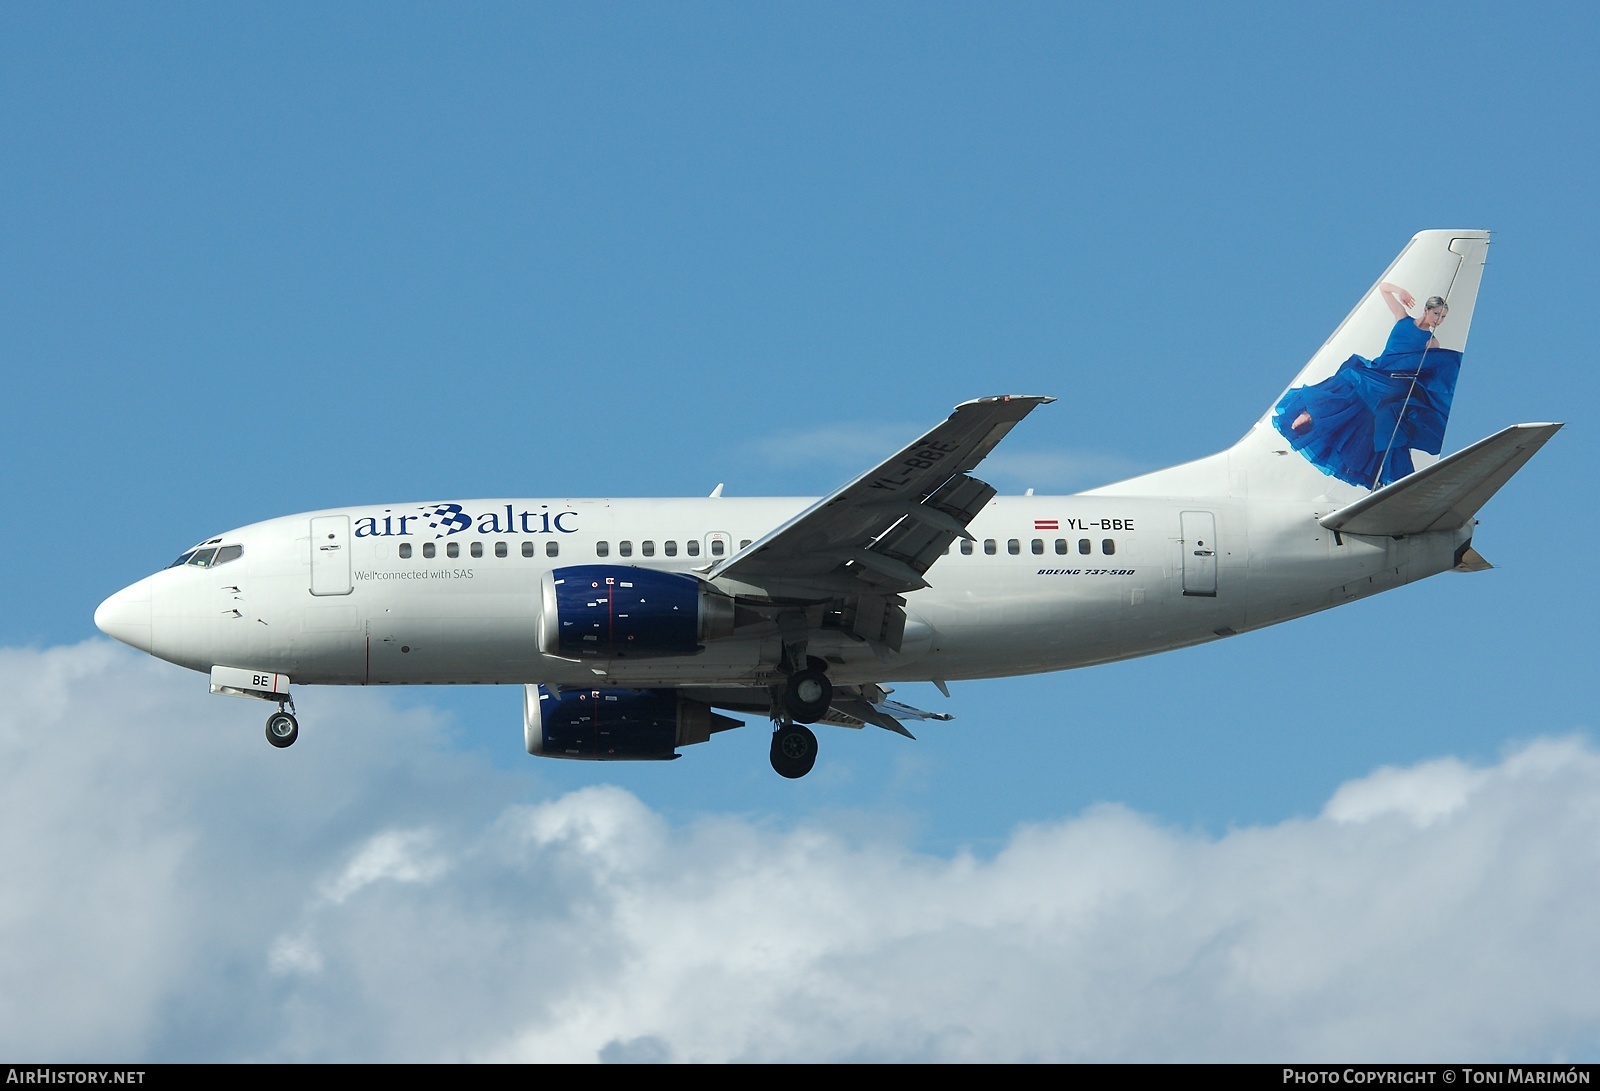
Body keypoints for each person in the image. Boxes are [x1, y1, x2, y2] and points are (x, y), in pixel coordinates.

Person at [1272, 283, 1463, 489]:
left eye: (1443, 317)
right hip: (1379, 371)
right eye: (1436, 314)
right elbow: (1383, 288)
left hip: (1395, 382)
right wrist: (1401, 292)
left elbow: (1428, 372)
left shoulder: (1431, 343)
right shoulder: (1403, 319)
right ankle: (1316, 417)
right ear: (1426, 310)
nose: (1439, 320)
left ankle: (1315, 415)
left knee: (1355, 378)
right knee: (1356, 390)